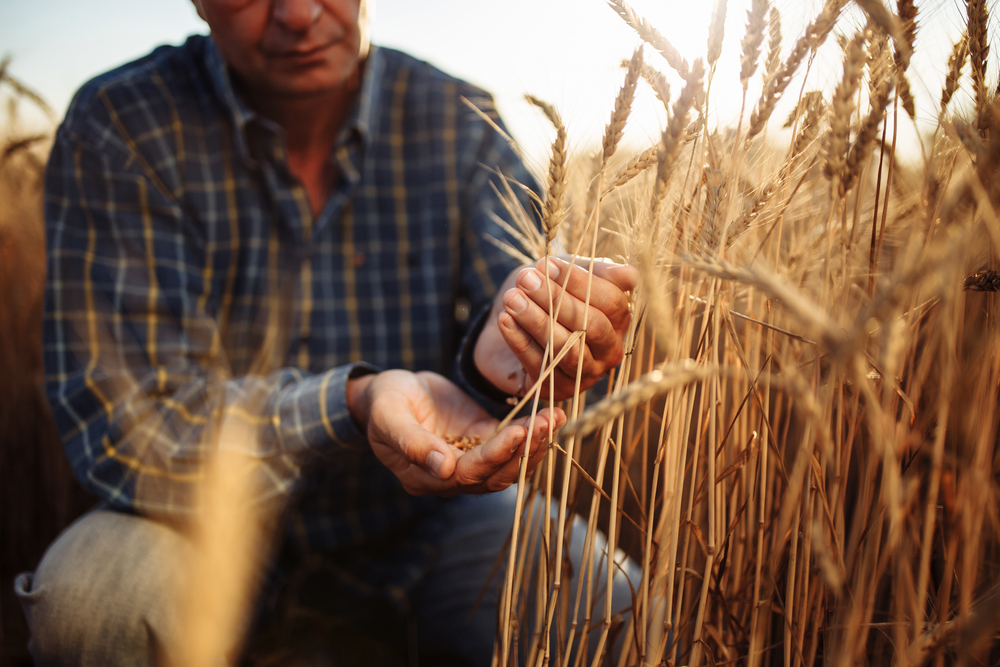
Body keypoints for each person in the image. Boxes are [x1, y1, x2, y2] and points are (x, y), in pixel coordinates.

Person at [14, 0, 639, 664]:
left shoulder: (462, 120)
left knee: (624, 611)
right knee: (92, 606)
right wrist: (354, 401)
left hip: (429, 522)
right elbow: (129, 421)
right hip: (190, 526)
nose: (300, 14)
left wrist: (512, 358)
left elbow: (537, 343)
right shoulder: (122, 124)